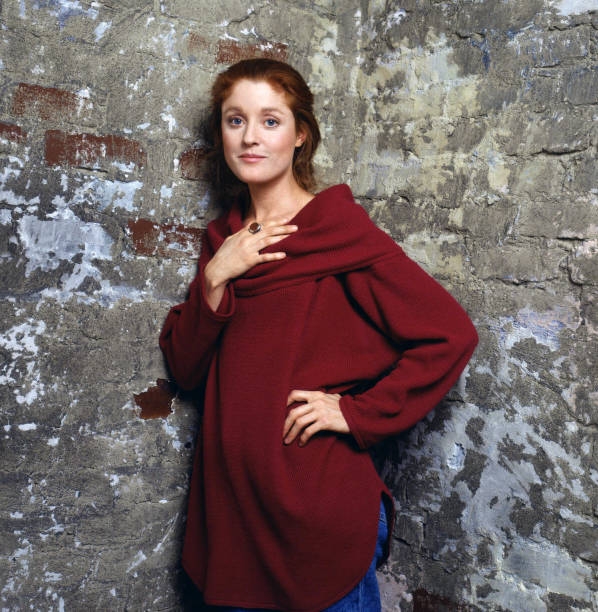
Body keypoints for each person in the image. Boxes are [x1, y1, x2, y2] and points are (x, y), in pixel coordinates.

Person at [159, 58, 478, 612]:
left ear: (300, 134)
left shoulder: (337, 230)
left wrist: (356, 413)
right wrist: (214, 278)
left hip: (315, 517)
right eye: (235, 120)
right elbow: (186, 371)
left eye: (271, 121)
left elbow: (450, 335)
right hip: (233, 518)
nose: (251, 137)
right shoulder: (224, 240)